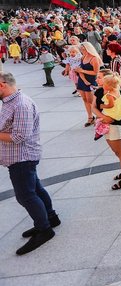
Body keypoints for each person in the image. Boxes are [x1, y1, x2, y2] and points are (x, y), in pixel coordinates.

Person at [0, 72, 60, 255]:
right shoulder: (9, 102)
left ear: (2, 85)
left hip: (22, 157)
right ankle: (50, 218)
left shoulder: (21, 104)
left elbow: (19, 137)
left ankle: (44, 230)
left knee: (25, 195)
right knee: (36, 188)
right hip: (19, 157)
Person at [76, 42, 102, 127]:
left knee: (91, 100)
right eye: (81, 49)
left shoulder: (94, 58)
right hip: (82, 80)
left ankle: (99, 116)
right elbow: (80, 69)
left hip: (91, 80)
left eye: (83, 48)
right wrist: (81, 74)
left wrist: (82, 71)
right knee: (84, 99)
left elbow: (96, 72)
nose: (82, 50)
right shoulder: (83, 57)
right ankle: (90, 117)